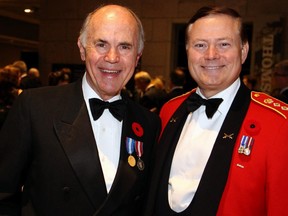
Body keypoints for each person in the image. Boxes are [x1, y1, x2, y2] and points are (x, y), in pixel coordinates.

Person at [0, 4, 160, 216]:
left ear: (137, 56)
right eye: (101, 44)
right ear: (83, 49)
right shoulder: (35, 108)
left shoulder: (148, 123)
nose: (112, 57)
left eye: (125, 46)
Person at [144, 6, 288, 216]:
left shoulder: (279, 124)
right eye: (200, 45)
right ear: (187, 51)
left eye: (223, 44)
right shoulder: (169, 110)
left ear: (244, 50)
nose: (211, 55)